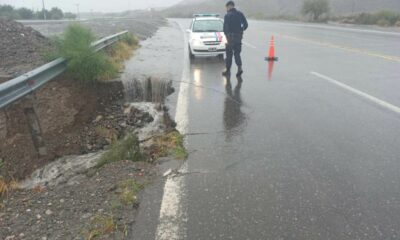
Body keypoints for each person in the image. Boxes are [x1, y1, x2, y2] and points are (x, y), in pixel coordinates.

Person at [222, 1, 248, 77]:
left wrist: (226, 35)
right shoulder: (240, 14)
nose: (226, 9)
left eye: (226, 7)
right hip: (238, 38)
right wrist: (241, 30)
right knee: (237, 54)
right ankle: (239, 68)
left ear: (229, 6)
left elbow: (225, 28)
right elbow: (246, 25)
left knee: (229, 55)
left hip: (230, 38)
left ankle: (228, 70)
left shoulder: (227, 15)